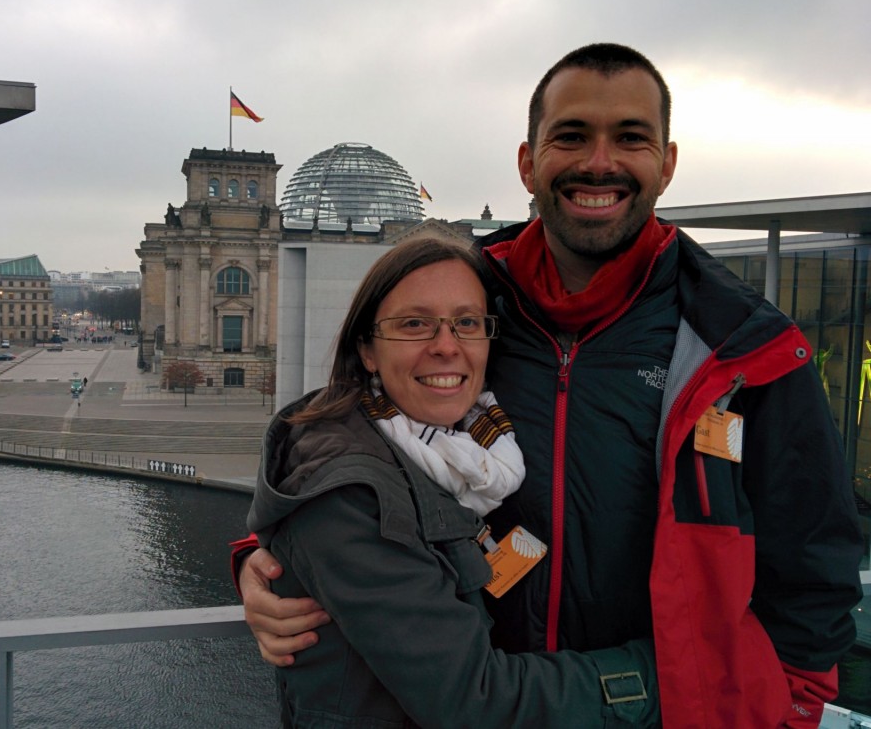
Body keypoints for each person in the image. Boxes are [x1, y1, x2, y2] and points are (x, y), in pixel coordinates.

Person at [237, 43, 864, 727]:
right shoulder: (465, 308)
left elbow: (813, 570)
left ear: (667, 163)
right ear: (529, 162)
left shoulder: (749, 348)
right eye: (571, 136)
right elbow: (338, 436)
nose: (600, 162)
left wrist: (781, 700)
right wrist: (267, 561)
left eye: (630, 137)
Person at [247, 236, 660, 726]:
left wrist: (252, 555)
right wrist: (663, 676)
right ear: (367, 350)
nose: (446, 346)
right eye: (414, 324)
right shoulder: (350, 490)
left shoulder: (474, 447)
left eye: (467, 323)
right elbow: (473, 700)